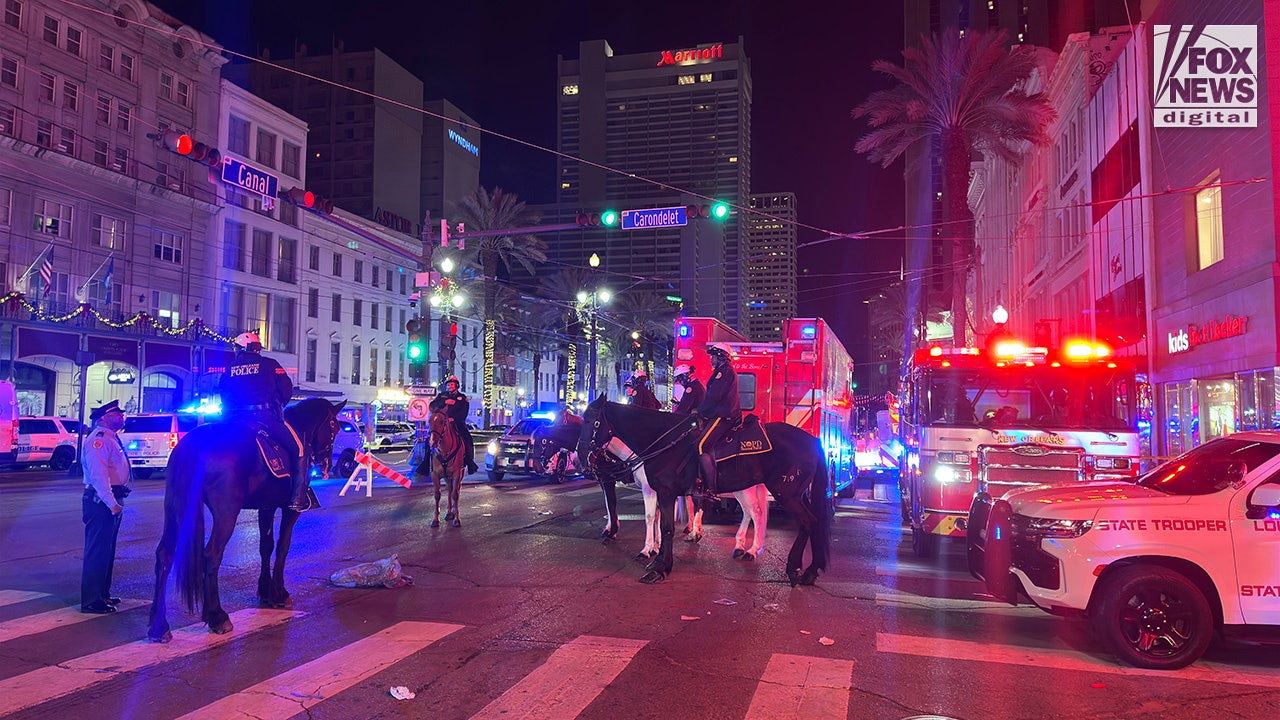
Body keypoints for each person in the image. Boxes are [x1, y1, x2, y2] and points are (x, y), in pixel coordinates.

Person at [219, 332, 309, 511]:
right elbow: (286, 389)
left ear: (242, 348)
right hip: (264, 418)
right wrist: (278, 406)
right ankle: (298, 497)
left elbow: (223, 393)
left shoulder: (229, 368)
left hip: (232, 420)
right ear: (256, 348)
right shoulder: (271, 365)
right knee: (299, 448)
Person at [81, 400, 132, 614]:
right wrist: (111, 503)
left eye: (121, 414)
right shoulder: (99, 440)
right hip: (100, 502)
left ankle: (102, 594)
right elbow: (98, 476)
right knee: (98, 551)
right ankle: (92, 600)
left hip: (110, 499)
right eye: (116, 414)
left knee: (107, 551)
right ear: (103, 418)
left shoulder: (111, 438)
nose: (122, 416)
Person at [695, 343, 741, 495]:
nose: (711, 359)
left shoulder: (724, 372)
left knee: (701, 445)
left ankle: (710, 488)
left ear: (721, 357)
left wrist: (699, 411)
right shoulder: (723, 371)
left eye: (713, 356)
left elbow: (714, 396)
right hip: (721, 414)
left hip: (724, 416)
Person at [430, 375, 479, 474]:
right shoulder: (442, 396)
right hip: (442, 423)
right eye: (449, 384)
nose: (450, 386)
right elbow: (433, 405)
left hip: (456, 423)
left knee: (467, 438)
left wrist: (454, 419)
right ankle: (425, 463)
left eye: (452, 384)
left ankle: (469, 461)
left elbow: (464, 412)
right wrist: (444, 401)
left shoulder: (462, 398)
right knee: (430, 438)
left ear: (456, 385)